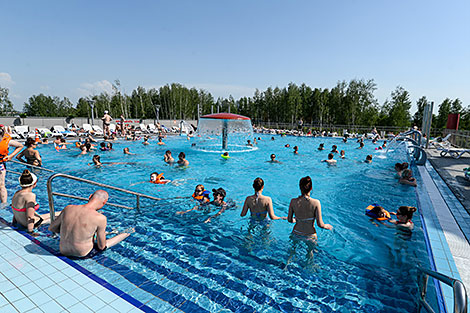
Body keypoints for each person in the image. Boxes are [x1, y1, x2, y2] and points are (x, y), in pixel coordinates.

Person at [49, 190, 133, 258]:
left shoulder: (68, 208)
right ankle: (127, 233)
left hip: (63, 251)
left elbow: (52, 228)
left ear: (89, 196)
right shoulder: (100, 218)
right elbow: (101, 246)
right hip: (82, 254)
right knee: (106, 243)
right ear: (104, 203)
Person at [287, 176, 333, 241]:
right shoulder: (316, 203)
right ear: (311, 188)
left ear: (300, 187)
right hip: (310, 236)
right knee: (311, 251)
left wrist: (296, 220)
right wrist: (326, 226)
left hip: (296, 233)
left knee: (292, 250)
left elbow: (289, 220)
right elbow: (320, 224)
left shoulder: (293, 201)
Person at [0, 126, 23, 203]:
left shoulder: (6, 141)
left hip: (0, 164)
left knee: (1, 185)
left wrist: (11, 156)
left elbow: (20, 146)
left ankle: (3, 204)